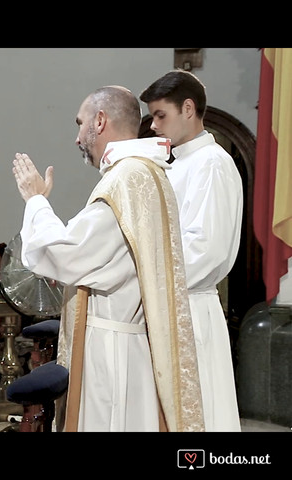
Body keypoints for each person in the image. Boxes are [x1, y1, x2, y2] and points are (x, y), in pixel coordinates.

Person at [11, 85, 204, 432]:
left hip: (112, 356)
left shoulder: (126, 180)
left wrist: (35, 200)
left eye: (79, 122)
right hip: (129, 344)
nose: (76, 137)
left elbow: (65, 253)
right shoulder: (148, 175)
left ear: (100, 121)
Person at [140, 70, 243, 432]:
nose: (153, 125)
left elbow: (206, 248)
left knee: (199, 417)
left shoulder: (212, 164)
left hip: (190, 307)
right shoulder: (176, 163)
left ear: (188, 108)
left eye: (160, 115)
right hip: (170, 302)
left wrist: (146, 279)